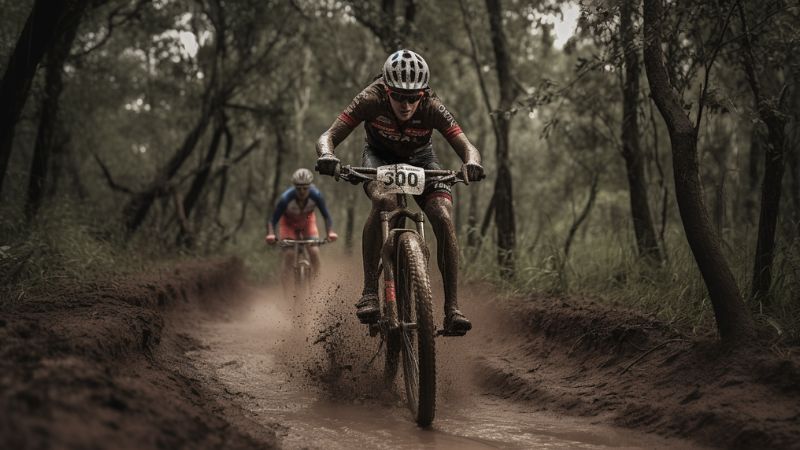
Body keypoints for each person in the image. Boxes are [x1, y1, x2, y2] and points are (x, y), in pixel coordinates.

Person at [314, 49, 484, 334]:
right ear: (386, 90)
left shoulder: (432, 105)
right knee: (384, 201)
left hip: (422, 159)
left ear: (423, 94)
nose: (406, 105)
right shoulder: (370, 98)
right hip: (378, 158)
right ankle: (370, 291)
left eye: (413, 98)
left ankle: (452, 308)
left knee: (442, 215)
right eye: (399, 97)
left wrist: (472, 163)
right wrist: (327, 156)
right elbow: (328, 136)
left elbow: (467, 146)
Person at [265, 168, 338, 291]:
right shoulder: (285, 198)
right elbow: (272, 221)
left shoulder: (316, 196)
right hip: (288, 224)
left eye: (305, 187)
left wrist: (330, 232)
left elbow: (326, 216)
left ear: (310, 187)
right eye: (298, 188)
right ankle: (286, 284)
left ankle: (317, 283)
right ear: (294, 187)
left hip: (307, 222)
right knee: (289, 254)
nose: (302, 191)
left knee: (314, 251)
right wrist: (271, 235)